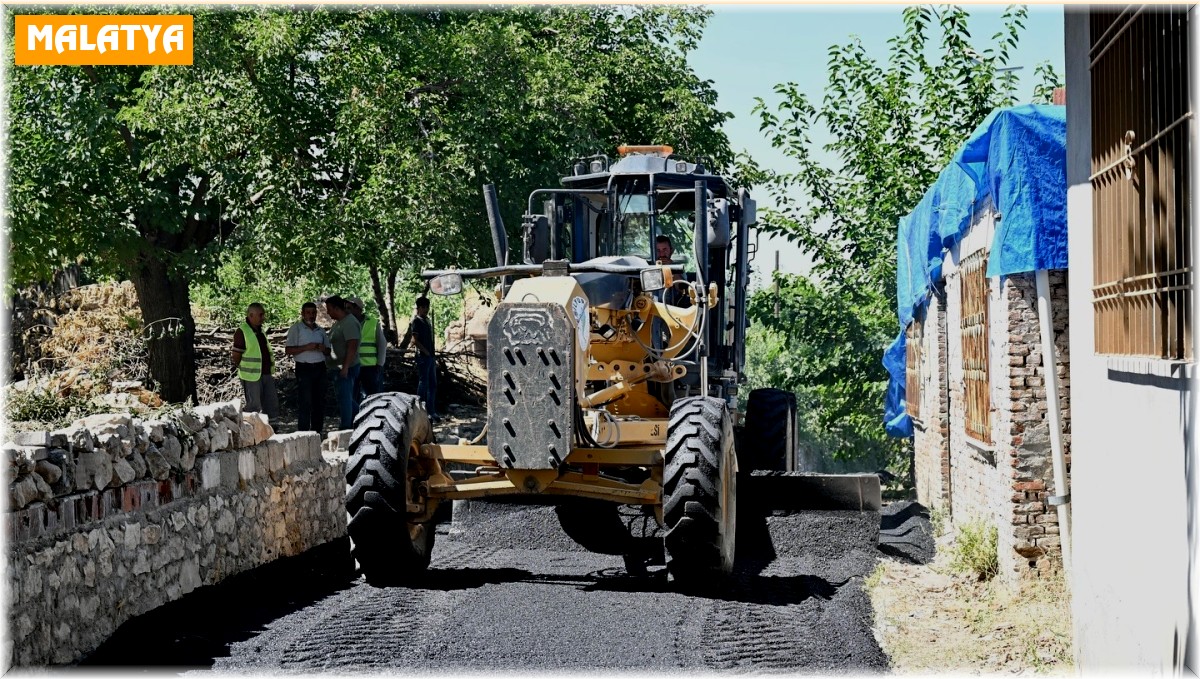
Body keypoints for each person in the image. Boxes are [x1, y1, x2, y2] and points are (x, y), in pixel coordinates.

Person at [285, 302, 329, 435]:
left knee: (319, 401)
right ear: (302, 314)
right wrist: (306, 347)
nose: (311, 315)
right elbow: (288, 350)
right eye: (308, 312)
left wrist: (323, 348)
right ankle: (303, 433)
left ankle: (317, 432)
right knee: (305, 401)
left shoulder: (321, 330)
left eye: (313, 312)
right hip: (304, 368)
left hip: (320, 368)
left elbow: (328, 351)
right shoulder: (296, 329)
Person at [232, 302, 279, 425]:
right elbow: (236, 355)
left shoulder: (260, 331)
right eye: (260, 315)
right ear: (251, 315)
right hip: (251, 375)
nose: (263, 318)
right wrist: (242, 366)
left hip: (266, 373)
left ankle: (273, 429)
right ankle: (253, 432)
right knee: (254, 407)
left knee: (271, 403)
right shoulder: (242, 331)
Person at [324, 295, 361, 430]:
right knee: (344, 398)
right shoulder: (339, 323)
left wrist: (345, 367)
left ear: (336, 308)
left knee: (345, 400)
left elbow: (352, 346)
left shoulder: (349, 323)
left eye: (329, 309)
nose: (327, 312)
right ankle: (364, 417)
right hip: (338, 367)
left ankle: (345, 428)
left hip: (346, 368)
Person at [399, 296, 438, 421]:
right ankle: (420, 410)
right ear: (419, 308)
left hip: (430, 356)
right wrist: (425, 351)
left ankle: (431, 411)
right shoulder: (416, 321)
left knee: (433, 384)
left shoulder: (427, 321)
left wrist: (431, 353)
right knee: (424, 383)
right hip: (423, 357)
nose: (426, 309)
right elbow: (414, 340)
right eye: (423, 307)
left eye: (427, 307)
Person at [348, 296, 387, 399]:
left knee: (373, 396)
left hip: (370, 367)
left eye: (349, 308)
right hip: (353, 366)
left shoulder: (373, 322)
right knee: (353, 397)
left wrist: (380, 363)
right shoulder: (347, 323)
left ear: (358, 309)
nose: (347, 311)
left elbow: (382, 344)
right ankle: (355, 415)